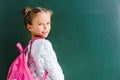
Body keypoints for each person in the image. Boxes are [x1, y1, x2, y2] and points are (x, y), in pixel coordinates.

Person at [22, 7, 64, 80]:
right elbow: (54, 69)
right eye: (40, 24)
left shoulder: (30, 45)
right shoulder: (43, 44)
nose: (46, 27)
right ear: (29, 27)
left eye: (48, 23)